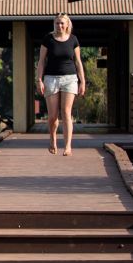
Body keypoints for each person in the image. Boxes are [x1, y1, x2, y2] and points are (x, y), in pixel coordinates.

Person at [36, 13, 86, 157]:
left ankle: (68, 146)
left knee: (66, 113)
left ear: (67, 24)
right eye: (57, 23)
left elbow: (78, 62)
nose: (60, 26)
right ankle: (52, 139)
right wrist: (39, 80)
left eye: (62, 23)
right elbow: (41, 61)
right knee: (52, 116)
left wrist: (82, 81)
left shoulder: (73, 40)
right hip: (51, 79)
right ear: (54, 24)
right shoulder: (48, 39)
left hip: (70, 79)